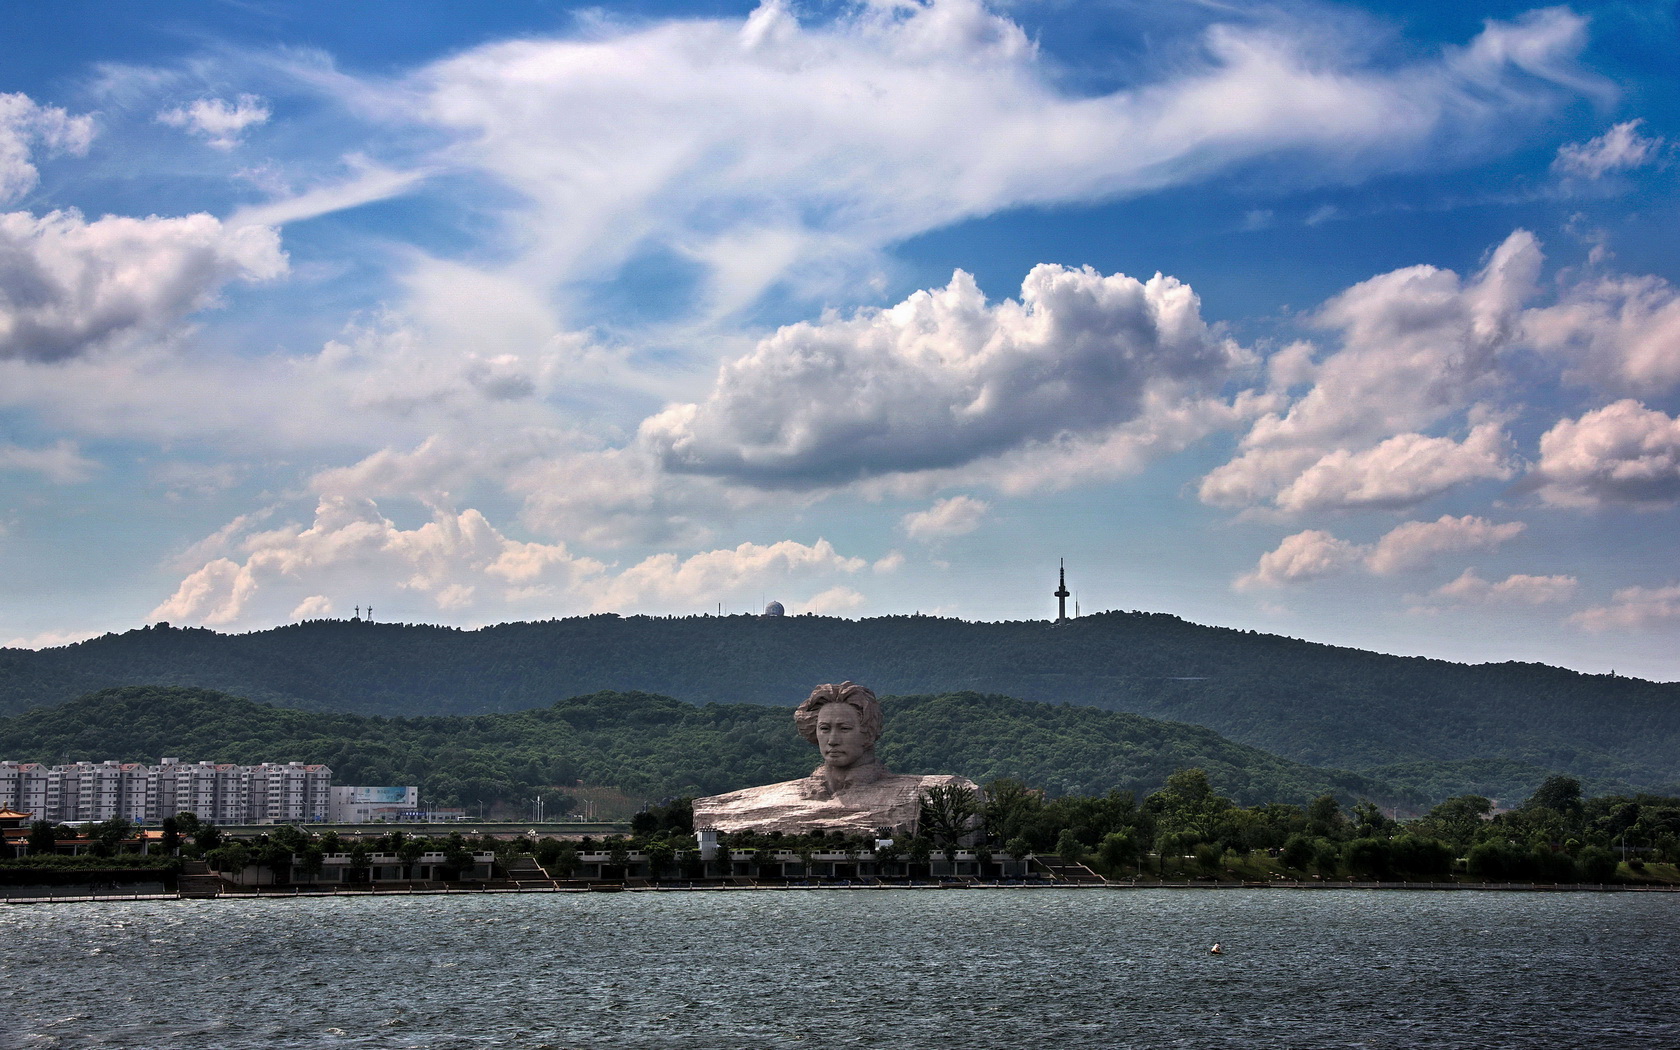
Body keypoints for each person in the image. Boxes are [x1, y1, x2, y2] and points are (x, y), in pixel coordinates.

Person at [691, 681, 978, 836]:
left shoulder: (925, 791)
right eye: (825, 729)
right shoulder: (753, 799)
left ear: (867, 732)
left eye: (845, 728)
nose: (833, 739)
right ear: (813, 733)